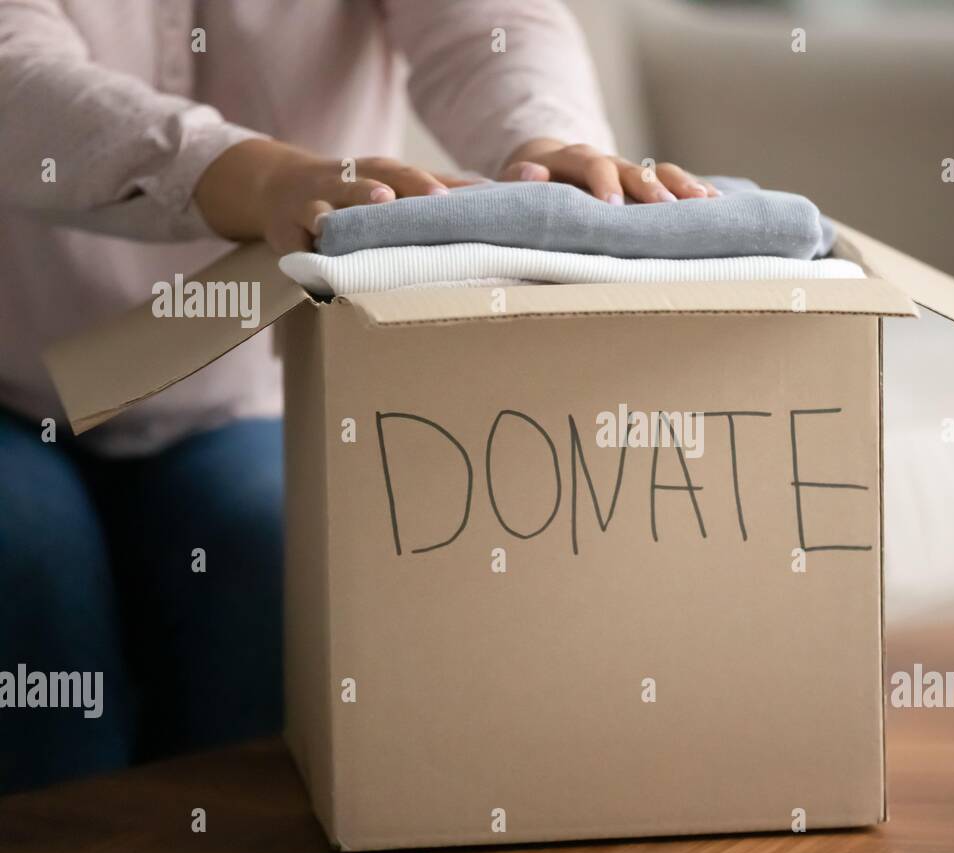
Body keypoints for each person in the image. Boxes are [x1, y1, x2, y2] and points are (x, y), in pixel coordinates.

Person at [0, 0, 715, 794]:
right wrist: (253, 173)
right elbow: (15, 73)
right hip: (10, 381)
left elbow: (484, 24)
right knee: (27, 570)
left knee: (279, 560)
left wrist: (544, 148)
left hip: (248, 381)